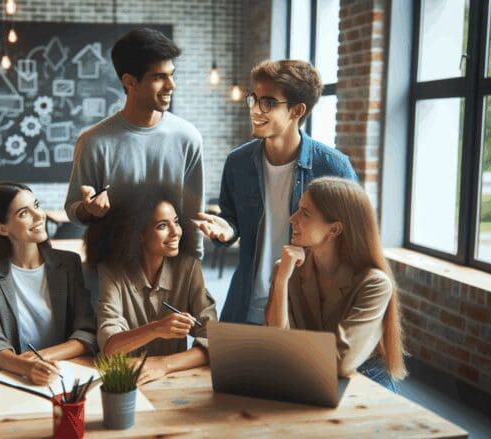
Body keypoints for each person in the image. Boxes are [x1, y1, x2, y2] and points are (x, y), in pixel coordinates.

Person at [195, 59, 357, 324]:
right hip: (245, 304)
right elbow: (232, 219)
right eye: (254, 99)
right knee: (228, 366)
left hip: (305, 312)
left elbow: (351, 243)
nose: (255, 110)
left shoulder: (333, 167)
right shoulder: (238, 162)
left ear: (296, 110)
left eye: (268, 102)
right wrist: (226, 230)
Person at [64, 27, 204, 257]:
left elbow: (193, 213)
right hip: (112, 269)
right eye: (159, 77)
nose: (171, 85)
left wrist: (193, 267)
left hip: (171, 269)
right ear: (130, 82)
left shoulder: (188, 137)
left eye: (172, 74)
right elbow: (73, 209)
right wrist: (89, 210)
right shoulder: (93, 142)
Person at [265, 177, 407, 391]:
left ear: (334, 230)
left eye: (305, 213)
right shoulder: (287, 269)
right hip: (309, 376)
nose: (292, 219)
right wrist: (281, 280)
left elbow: (341, 362)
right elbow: (277, 342)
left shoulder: (375, 284)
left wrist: (291, 350)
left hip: (364, 381)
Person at [0, 182, 96, 385]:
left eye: (36, 205)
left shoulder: (68, 264)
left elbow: (87, 333)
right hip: (6, 378)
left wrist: (41, 359)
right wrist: (25, 367)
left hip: (59, 374)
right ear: (1, 228)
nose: (39, 216)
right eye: (24, 213)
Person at [89, 183, 217, 384]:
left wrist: (164, 365)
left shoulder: (189, 268)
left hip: (174, 379)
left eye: (176, 221)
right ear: (138, 234)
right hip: (124, 380)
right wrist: (156, 328)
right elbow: (110, 348)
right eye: (162, 226)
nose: (176, 232)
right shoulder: (112, 272)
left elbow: (213, 340)